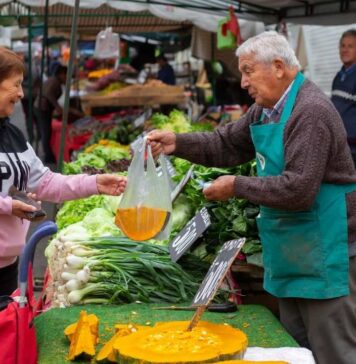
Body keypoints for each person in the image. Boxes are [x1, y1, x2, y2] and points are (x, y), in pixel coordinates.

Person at [148, 31, 356, 364]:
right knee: (297, 352)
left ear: (277, 67)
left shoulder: (311, 112)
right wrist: (178, 143)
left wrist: (236, 185)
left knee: (333, 353)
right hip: (291, 250)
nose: (243, 82)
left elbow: (299, 189)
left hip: (325, 250)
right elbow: (226, 143)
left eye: (248, 71)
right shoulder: (266, 110)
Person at [0, 47, 127, 297]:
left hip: (7, 263)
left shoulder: (12, 134)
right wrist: (8, 206)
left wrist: (95, 183)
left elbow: (47, 182)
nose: (21, 94)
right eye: (15, 85)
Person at [34, 64, 83, 163]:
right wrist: (57, 107)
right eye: (65, 75)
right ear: (60, 74)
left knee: (46, 131)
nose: (66, 78)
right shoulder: (54, 81)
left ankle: (48, 153)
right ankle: (48, 157)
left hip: (44, 108)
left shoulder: (55, 81)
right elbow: (48, 94)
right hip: (42, 108)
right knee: (46, 132)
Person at [331, 29, 356, 165]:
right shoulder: (338, 76)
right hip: (339, 148)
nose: (345, 50)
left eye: (350, 46)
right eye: (343, 46)